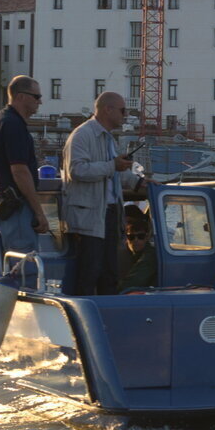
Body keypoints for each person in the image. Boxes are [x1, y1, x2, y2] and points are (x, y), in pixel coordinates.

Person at [63, 92, 138, 296]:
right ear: (108, 109)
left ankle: (106, 315)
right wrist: (112, 164)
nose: (126, 115)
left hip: (109, 212)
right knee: (89, 272)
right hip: (90, 217)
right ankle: (83, 320)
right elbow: (76, 170)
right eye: (123, 111)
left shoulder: (108, 139)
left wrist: (139, 182)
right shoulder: (82, 135)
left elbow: (114, 172)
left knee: (109, 273)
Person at [0, 76, 50, 252]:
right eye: (37, 97)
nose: (40, 101)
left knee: (10, 259)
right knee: (24, 264)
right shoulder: (14, 125)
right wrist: (39, 211)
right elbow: (19, 171)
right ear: (21, 96)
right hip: (16, 206)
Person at [118, 216, 158, 292]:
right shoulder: (124, 254)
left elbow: (134, 282)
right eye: (131, 237)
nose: (135, 240)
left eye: (140, 236)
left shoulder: (150, 255)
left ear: (147, 237)